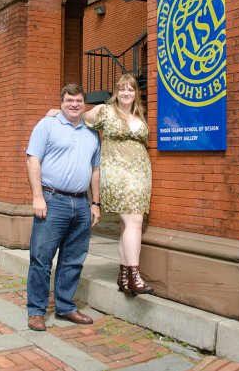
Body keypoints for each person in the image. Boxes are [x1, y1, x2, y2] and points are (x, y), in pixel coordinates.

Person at [47, 73, 154, 297]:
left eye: (131, 89)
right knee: (133, 220)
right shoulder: (105, 111)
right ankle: (134, 275)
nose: (126, 93)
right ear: (116, 92)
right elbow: (78, 116)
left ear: (136, 93)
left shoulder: (140, 116)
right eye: (122, 89)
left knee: (129, 224)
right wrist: (59, 113)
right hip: (116, 171)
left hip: (141, 173)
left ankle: (124, 277)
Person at [25, 83, 102, 332]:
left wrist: (95, 203)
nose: (74, 104)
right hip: (52, 200)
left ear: (84, 104)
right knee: (41, 258)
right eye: (69, 100)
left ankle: (66, 307)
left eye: (78, 100)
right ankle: (36, 311)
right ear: (61, 102)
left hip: (81, 204)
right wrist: (38, 196)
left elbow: (95, 170)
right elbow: (32, 159)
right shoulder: (47, 125)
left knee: (73, 259)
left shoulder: (92, 133)